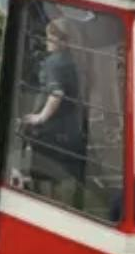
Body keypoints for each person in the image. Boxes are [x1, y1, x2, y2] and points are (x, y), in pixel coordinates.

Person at [22, 19, 87, 200]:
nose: (47, 42)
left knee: (45, 176)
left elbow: (56, 93)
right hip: (73, 127)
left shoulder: (54, 63)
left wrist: (40, 117)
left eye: (51, 39)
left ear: (64, 42)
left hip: (52, 131)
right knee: (65, 176)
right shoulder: (76, 60)